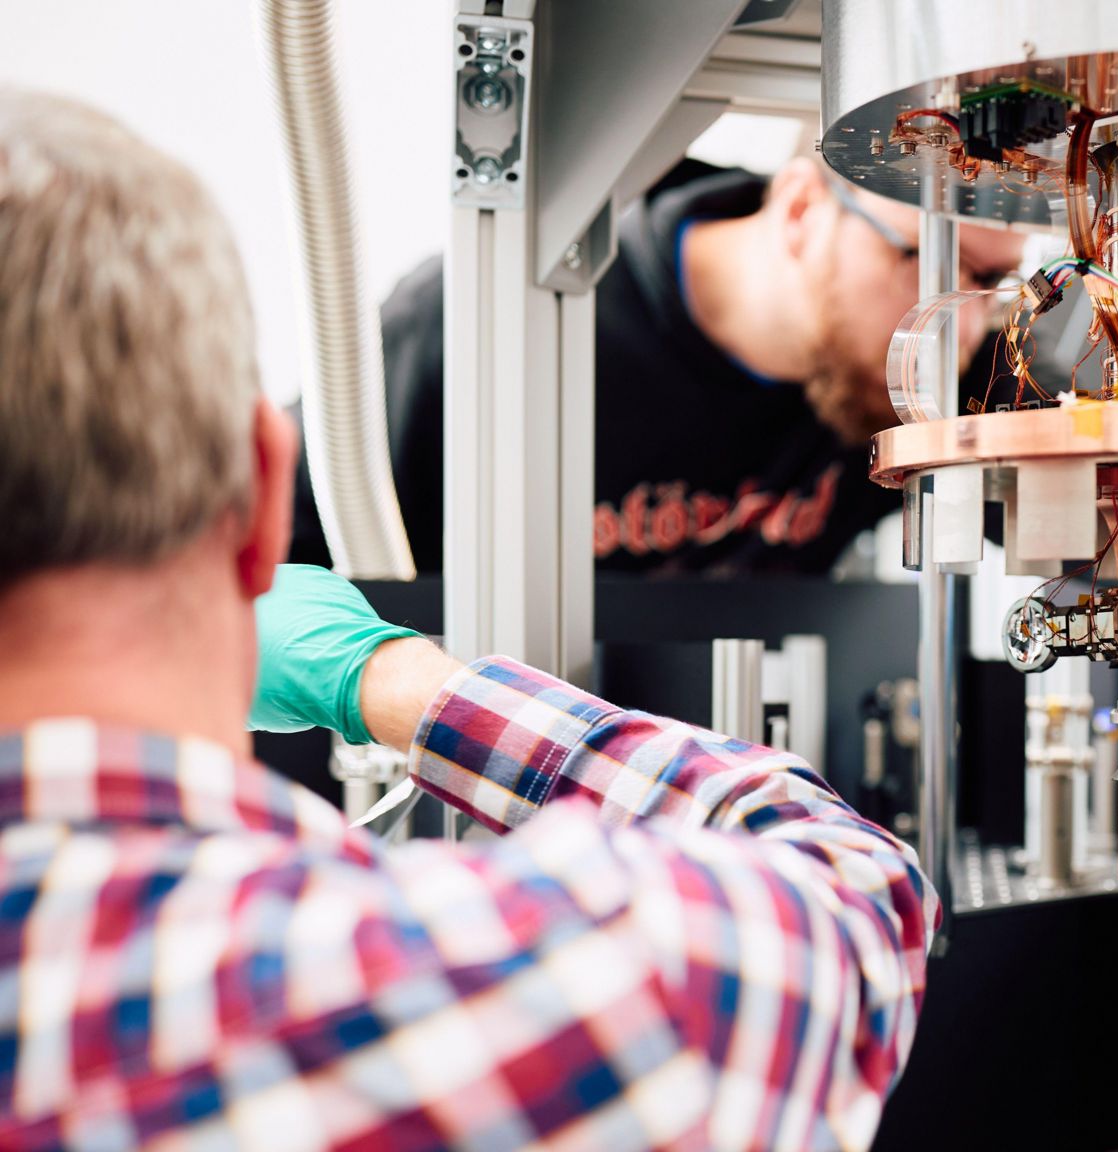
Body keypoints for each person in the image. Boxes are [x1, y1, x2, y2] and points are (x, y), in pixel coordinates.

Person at [0, 89, 929, 1150]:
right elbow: (852, 893)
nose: (971, 320)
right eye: (941, 267)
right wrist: (402, 683)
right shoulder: (440, 1001)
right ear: (266, 495)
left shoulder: (876, 397)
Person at [288, 157, 1028, 576]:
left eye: (987, 286)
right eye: (928, 262)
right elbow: (256, 567)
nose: (957, 327)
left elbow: (1096, 540)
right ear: (803, 209)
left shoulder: (916, 378)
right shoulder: (473, 328)